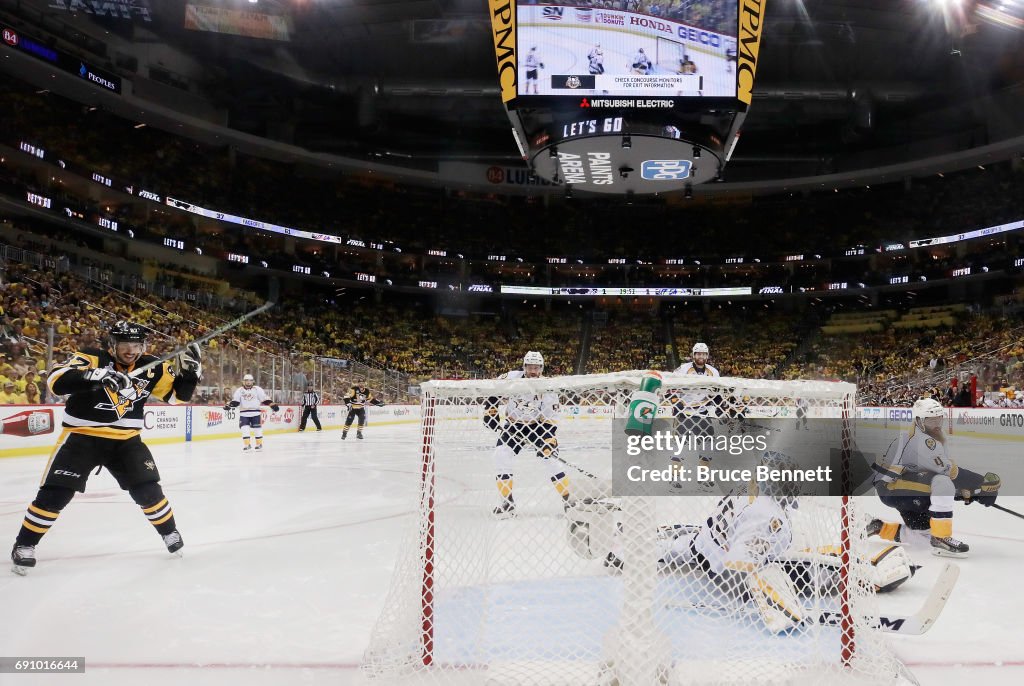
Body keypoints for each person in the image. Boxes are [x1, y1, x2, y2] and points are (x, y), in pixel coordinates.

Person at [569, 452, 916, 632]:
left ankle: (620, 550)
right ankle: (865, 573)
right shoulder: (767, 515)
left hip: (705, 545)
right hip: (730, 570)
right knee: (807, 568)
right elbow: (741, 565)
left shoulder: (750, 489)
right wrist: (771, 589)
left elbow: (690, 545)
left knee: (680, 541)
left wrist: (623, 554)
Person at [10, 321, 201, 575]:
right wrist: (95, 376)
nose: (131, 351)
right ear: (113, 345)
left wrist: (190, 374)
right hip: (82, 437)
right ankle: (24, 545)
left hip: (126, 441)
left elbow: (178, 397)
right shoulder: (91, 358)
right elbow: (56, 381)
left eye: (137, 345)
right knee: (56, 494)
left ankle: (169, 533)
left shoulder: (152, 366)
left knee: (148, 490)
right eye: (125, 345)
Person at [866, 397, 1001, 556]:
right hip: (891, 488)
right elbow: (948, 474)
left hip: (905, 488)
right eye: (931, 421)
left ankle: (880, 528)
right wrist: (980, 484)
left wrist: (969, 493)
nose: (936, 425)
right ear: (918, 421)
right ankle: (941, 537)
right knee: (943, 482)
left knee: (924, 539)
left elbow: (931, 477)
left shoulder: (931, 436)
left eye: (939, 420)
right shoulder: (918, 441)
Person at [483, 351, 569, 518]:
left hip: (538, 426)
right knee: (501, 455)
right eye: (530, 367)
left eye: (536, 368)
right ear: (524, 367)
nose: (533, 371)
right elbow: (494, 390)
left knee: (551, 460)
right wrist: (491, 411)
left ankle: (569, 503)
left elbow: (550, 418)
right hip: (514, 426)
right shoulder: (511, 377)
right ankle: (508, 505)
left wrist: (548, 440)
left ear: (541, 368)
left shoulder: (547, 387)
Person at [670, 342, 721, 491]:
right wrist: (675, 402)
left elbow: (716, 392)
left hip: (703, 413)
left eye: (704, 354)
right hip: (684, 414)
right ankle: (674, 479)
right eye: (698, 354)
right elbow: (670, 386)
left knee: (706, 449)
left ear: (707, 356)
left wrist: (718, 403)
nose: (701, 356)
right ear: (693, 355)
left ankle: (702, 478)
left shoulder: (713, 372)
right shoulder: (683, 369)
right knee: (679, 449)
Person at [224, 373, 279, 451]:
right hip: (244, 413)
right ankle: (247, 445)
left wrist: (271, 404)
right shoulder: (239, 390)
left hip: (255, 413)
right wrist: (229, 405)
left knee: (257, 429)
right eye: (247, 380)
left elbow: (264, 399)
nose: (248, 382)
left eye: (250, 380)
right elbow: (235, 402)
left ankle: (259, 444)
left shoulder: (257, 389)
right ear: (243, 381)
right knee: (244, 428)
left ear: (253, 381)